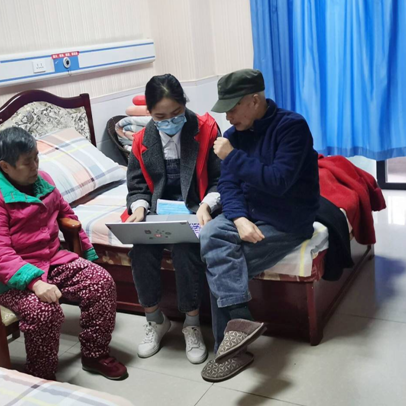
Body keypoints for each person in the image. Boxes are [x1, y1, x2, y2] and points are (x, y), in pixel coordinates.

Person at [0, 127, 127, 381]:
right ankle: (41, 377)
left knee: (100, 282)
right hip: (11, 276)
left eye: (36, 157)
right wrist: (35, 283)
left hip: (52, 259)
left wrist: (86, 253)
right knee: (43, 311)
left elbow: (67, 213)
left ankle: (95, 354)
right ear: (6, 166)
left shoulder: (43, 180)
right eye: (27, 162)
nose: (35, 166)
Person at [199, 69, 320, 382]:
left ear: (254, 100)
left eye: (232, 108)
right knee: (211, 234)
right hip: (250, 215)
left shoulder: (291, 127)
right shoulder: (233, 135)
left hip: (287, 220)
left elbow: (279, 181)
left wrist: (232, 156)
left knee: (219, 264)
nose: (227, 116)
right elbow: (228, 186)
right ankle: (240, 323)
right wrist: (238, 218)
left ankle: (229, 351)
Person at [125, 74, 221, 364]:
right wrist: (139, 209)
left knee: (186, 251)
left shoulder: (206, 129)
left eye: (176, 113)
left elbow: (221, 179)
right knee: (140, 252)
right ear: (149, 113)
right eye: (160, 117)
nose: (169, 121)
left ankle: (191, 324)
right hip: (158, 212)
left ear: (185, 103)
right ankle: (155, 319)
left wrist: (205, 206)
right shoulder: (141, 140)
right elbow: (137, 186)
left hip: (196, 208)